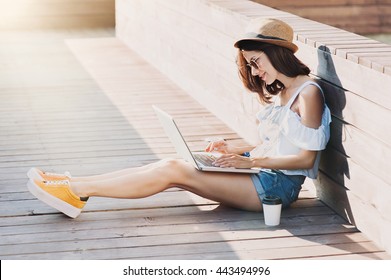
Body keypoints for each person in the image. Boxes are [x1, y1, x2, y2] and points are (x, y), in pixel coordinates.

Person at [26, 18, 331, 219]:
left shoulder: (308, 93)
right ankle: (73, 184)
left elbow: (305, 159)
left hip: (276, 189)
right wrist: (232, 152)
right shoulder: (285, 91)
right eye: (250, 65)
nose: (254, 72)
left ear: (276, 53)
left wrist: (250, 163)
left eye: (256, 62)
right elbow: (272, 145)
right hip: (261, 175)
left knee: (174, 170)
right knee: (170, 163)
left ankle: (76, 191)